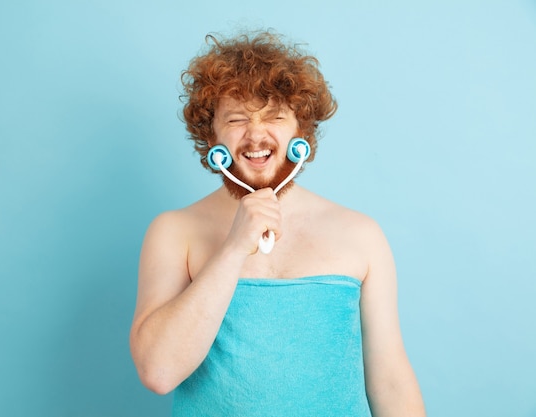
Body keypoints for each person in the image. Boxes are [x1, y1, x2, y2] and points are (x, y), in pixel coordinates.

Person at [130, 29, 426, 416]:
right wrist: (235, 247)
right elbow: (159, 371)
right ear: (211, 134)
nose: (255, 134)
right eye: (236, 119)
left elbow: (389, 380)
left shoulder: (361, 235)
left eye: (274, 117)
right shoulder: (173, 232)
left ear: (300, 131)